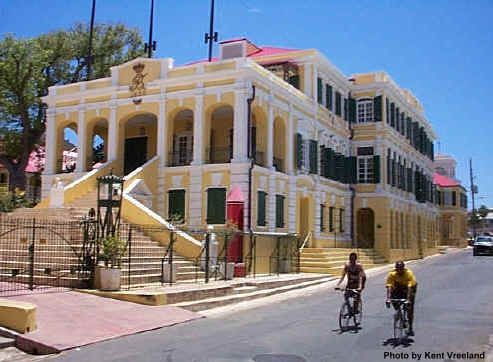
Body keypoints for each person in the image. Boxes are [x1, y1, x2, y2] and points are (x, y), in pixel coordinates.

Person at [386, 260, 418, 336]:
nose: (399, 271)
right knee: (394, 299)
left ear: (403, 268)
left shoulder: (408, 274)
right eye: (398, 269)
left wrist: (408, 300)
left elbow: (409, 288)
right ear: (395, 269)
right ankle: (399, 314)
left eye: (401, 269)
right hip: (399, 288)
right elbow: (389, 287)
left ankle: (410, 327)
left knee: (410, 308)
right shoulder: (392, 274)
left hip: (410, 289)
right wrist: (388, 299)